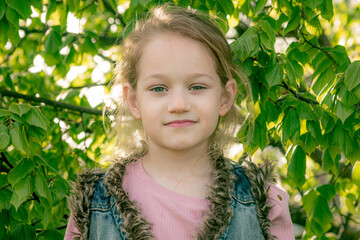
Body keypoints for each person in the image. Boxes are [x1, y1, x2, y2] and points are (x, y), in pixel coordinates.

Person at [65, 4, 294, 240]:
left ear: (225, 97)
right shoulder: (93, 205)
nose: (179, 104)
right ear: (133, 101)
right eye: (158, 88)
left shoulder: (263, 204)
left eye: (197, 87)